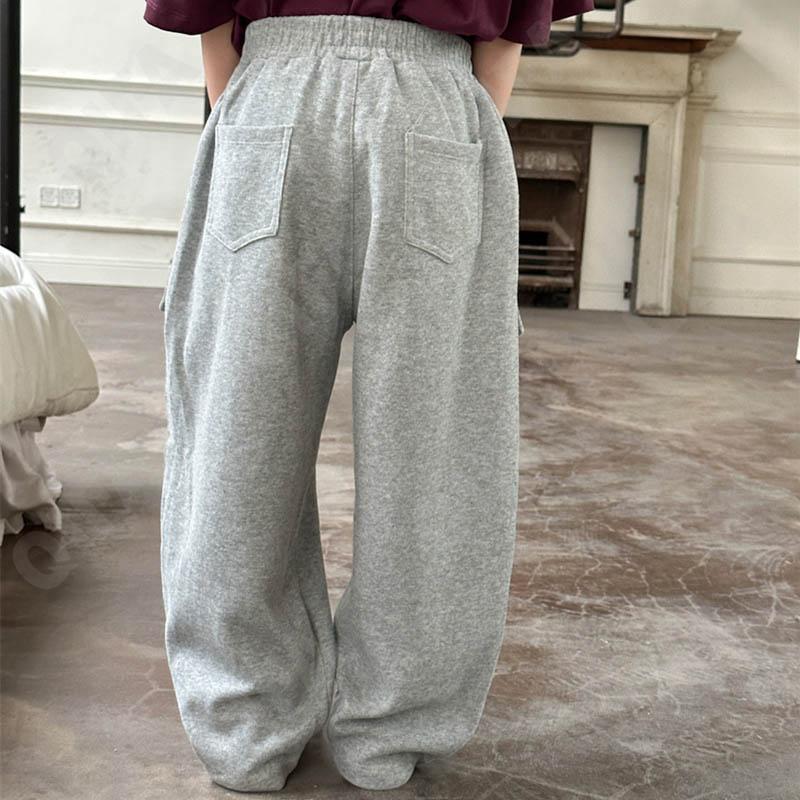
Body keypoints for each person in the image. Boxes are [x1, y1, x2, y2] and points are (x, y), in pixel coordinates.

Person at [144, 1, 593, 792]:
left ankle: (244, 724)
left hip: (272, 96)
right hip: (434, 96)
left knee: (236, 441)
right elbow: (508, 33)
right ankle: (393, 727)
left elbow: (208, 19)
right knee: (437, 449)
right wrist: (448, 116)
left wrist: (253, 106)